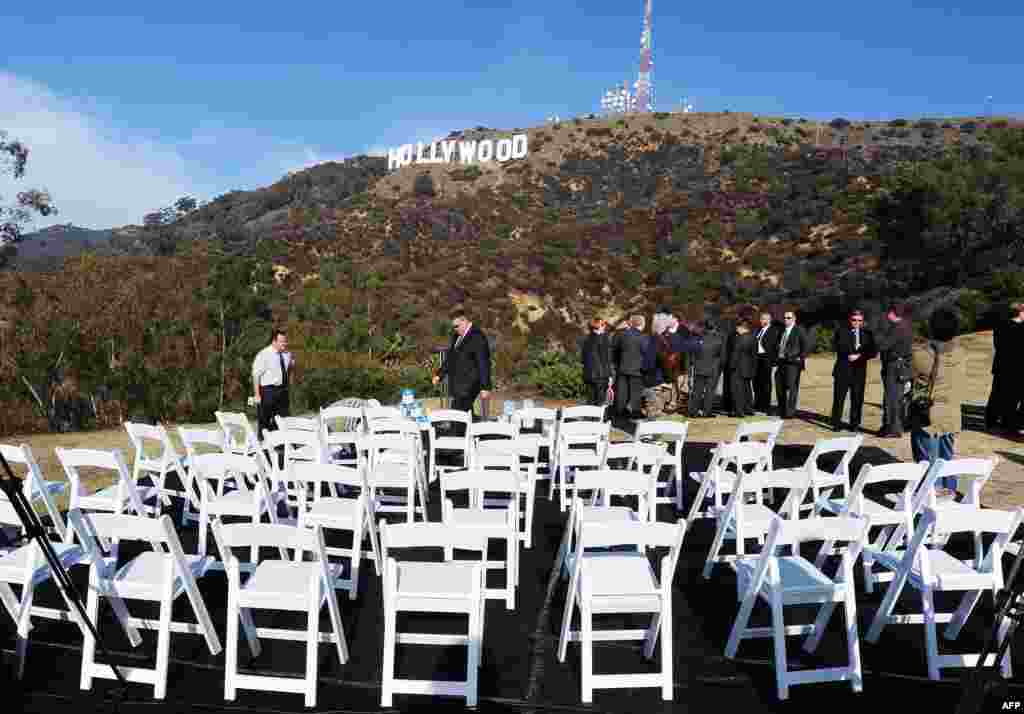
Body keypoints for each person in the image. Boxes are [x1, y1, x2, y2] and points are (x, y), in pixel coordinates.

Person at [908, 306, 968, 494]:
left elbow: (909, 373)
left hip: (929, 414)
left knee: (927, 462)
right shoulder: (960, 353)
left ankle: (928, 499)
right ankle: (949, 494)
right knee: (946, 459)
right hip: (951, 413)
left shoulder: (922, 354)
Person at [432, 311, 491, 414]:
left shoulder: (477, 336)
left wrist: (485, 387)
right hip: (459, 385)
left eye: (456, 326)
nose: (455, 329)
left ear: (464, 321)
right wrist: (439, 375)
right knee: (465, 416)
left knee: (457, 414)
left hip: (470, 385)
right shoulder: (457, 336)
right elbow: (451, 357)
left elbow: (483, 363)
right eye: (453, 327)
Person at [830, 309, 877, 432]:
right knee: (839, 398)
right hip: (843, 370)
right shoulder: (841, 331)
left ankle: (854, 424)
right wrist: (848, 354)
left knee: (857, 399)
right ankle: (836, 423)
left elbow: (873, 352)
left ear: (863, 321)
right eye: (854, 320)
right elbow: (836, 346)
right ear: (850, 320)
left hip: (859, 372)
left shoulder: (868, 334)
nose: (856, 322)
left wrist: (860, 356)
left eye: (859, 320)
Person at [875, 303, 914, 437]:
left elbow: (884, 345)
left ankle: (893, 429)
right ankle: (889, 426)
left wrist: (878, 336)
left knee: (892, 398)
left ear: (892, 313)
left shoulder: (898, 328)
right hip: (899, 365)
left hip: (895, 366)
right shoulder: (905, 326)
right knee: (893, 397)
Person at [986, 302, 1024, 432]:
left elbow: (998, 345)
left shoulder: (1000, 326)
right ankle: (1009, 423)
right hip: (1017, 369)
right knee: (1013, 397)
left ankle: (991, 421)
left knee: (997, 395)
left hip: (1001, 366)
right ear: (1021, 312)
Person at [252, 328, 293, 441]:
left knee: (283, 420)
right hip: (267, 391)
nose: (285, 343)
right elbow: (256, 376)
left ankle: (280, 446)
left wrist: (287, 385)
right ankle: (262, 446)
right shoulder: (264, 354)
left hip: (282, 391)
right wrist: (257, 395)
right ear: (274, 342)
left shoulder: (287, 354)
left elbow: (289, 368)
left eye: (285, 341)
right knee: (264, 420)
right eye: (282, 341)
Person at [774, 309, 810, 418]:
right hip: (781, 362)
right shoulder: (782, 330)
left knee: (792, 388)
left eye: (788, 318)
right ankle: (782, 409)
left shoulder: (799, 330)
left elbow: (807, 345)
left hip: (793, 364)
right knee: (779, 386)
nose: (786, 320)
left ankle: (790, 412)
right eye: (784, 318)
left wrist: (800, 357)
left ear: (794, 319)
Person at [612, 314, 648, 419]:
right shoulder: (643, 337)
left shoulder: (621, 335)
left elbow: (615, 351)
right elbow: (647, 354)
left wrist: (618, 364)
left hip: (622, 368)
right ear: (642, 324)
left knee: (622, 393)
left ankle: (619, 413)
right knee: (635, 394)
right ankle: (635, 414)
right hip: (637, 370)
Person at [685, 319, 723, 417]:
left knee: (697, 391)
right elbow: (722, 357)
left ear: (704, 327)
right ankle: (707, 412)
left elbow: (691, 355)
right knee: (710, 392)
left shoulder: (697, 339)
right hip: (713, 369)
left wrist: (690, 369)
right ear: (714, 327)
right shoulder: (719, 339)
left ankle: (693, 412)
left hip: (699, 368)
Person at [581, 318, 614, 407]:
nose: (605, 327)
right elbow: (606, 359)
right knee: (600, 401)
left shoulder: (586, 339)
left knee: (590, 400)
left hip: (588, 374)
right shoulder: (604, 340)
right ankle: (597, 419)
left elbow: (583, 359)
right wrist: (610, 375)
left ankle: (589, 418)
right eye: (603, 325)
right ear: (600, 327)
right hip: (601, 375)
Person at [753, 311, 780, 413]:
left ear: (769, 320)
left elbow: (773, 346)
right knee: (757, 382)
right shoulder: (758, 330)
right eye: (761, 319)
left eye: (764, 319)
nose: (762, 320)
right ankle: (757, 403)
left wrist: (773, 360)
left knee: (766, 383)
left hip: (766, 359)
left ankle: (765, 405)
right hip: (757, 359)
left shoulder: (773, 330)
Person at [729, 320, 757, 417]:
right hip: (748, 368)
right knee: (747, 390)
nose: (736, 330)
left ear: (742, 328)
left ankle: (739, 411)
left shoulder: (739, 339)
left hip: (738, 368)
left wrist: (731, 367)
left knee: (737, 390)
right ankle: (749, 409)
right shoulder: (754, 338)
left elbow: (735, 354)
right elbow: (754, 355)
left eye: (737, 328)